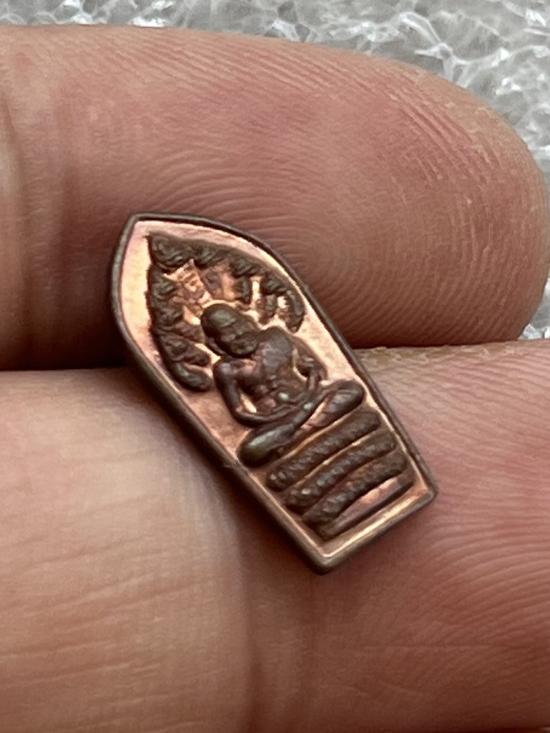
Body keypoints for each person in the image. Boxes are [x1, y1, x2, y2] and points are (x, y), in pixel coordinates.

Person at [1, 25, 549, 733]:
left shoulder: (277, 341)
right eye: (222, 336)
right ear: (214, 340)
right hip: (282, 434)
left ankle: (376, 486)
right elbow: (245, 417)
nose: (232, 338)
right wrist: (272, 410)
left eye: (235, 327)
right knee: (265, 450)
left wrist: (306, 395)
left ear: (246, 319)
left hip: (324, 406)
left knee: (348, 396)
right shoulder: (231, 367)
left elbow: (320, 371)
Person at [200, 303, 364, 465]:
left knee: (353, 390)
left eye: (238, 325)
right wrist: (272, 417)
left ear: (248, 322)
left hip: (309, 397)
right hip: (279, 419)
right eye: (227, 332)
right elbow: (239, 412)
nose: (238, 334)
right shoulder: (226, 368)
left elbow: (313, 367)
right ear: (215, 343)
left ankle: (296, 436)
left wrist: (311, 385)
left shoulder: (276, 336)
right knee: (250, 452)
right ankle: (308, 427)